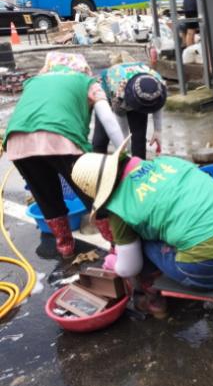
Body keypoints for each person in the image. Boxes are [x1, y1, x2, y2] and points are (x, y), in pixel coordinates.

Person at [71, 136, 213, 318]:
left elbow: (129, 267)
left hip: (210, 271)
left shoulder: (120, 208)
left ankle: (154, 303)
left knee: (139, 245)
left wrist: (114, 262)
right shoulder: (169, 163)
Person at [2, 52, 125, 258]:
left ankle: (65, 247)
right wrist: (124, 152)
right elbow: (108, 120)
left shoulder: (34, 82)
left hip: (18, 142)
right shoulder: (88, 82)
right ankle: (118, 246)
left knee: (46, 195)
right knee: (94, 194)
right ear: (82, 68)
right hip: (61, 138)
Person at [92, 61, 166, 159]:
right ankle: (100, 164)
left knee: (139, 139)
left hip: (136, 89)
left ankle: (139, 165)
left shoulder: (158, 83)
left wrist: (158, 130)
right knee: (100, 140)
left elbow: (158, 104)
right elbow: (121, 125)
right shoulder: (119, 93)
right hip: (109, 89)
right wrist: (125, 150)